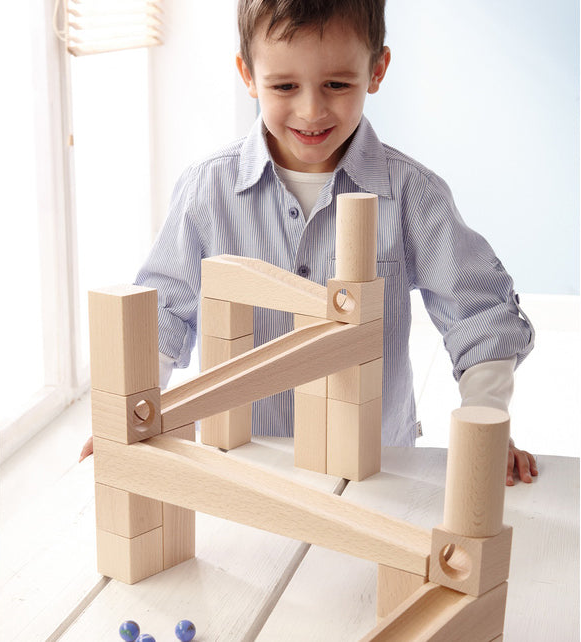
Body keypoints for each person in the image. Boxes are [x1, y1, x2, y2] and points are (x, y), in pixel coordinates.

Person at [81, 0, 538, 486]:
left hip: (375, 467)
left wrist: (487, 424)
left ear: (377, 69)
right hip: (243, 463)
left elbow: (480, 312)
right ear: (248, 74)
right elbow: (164, 314)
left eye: (337, 84)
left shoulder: (411, 194)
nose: (312, 111)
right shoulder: (206, 190)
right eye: (284, 86)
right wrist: (126, 415)